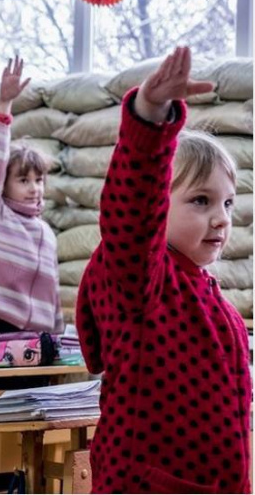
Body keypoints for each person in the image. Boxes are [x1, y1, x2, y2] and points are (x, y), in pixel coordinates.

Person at [76, 46, 251, 493]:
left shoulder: (212, 297)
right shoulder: (141, 278)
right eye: (201, 201)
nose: (221, 219)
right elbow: (132, 207)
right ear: (158, 207)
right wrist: (150, 117)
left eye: (228, 203)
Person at [0, 56, 64, 391]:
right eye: (24, 180)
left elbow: (53, 292)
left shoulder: (47, 233)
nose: (34, 187)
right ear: (4, 185)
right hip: (1, 330)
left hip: (38, 340)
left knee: (34, 406)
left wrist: (58, 336)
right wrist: (4, 105)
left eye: (39, 180)